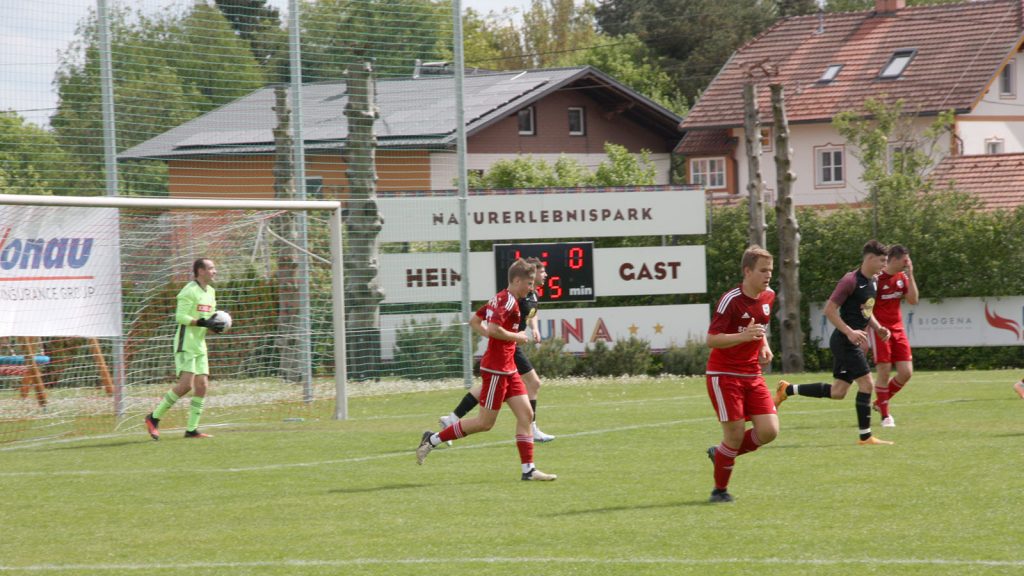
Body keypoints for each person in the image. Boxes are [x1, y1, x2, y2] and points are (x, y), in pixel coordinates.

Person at [416, 259, 556, 481]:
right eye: (528, 283)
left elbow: (475, 321)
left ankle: (528, 470)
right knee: (484, 423)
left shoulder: (505, 298)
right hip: (497, 370)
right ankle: (432, 439)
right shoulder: (506, 301)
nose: (531, 288)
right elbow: (493, 329)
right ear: (516, 280)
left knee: (526, 414)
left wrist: (502, 341)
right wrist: (515, 337)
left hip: (508, 368)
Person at [774, 240, 894, 446]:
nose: (885, 265)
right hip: (844, 342)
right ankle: (866, 437)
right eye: (882, 260)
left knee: (838, 392)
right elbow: (829, 310)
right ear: (870, 258)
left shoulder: (873, 281)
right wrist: (849, 332)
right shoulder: (850, 281)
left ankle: (787, 390)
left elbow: (866, 310)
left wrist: (877, 327)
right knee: (867, 384)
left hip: (851, 342)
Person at [439, 258, 555, 443]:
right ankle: (531, 429)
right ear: (520, 280)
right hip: (510, 348)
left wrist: (534, 328)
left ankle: (452, 419)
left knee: (491, 387)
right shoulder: (511, 298)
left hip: (510, 347)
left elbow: (532, 312)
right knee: (532, 384)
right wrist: (504, 336)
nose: (545, 275)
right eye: (541, 272)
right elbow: (488, 322)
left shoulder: (531, 294)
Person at [704, 245, 779, 503]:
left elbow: (759, 327)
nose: (768, 275)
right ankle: (719, 490)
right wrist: (743, 337)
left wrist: (764, 345)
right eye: (762, 270)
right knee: (734, 435)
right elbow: (712, 339)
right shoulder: (731, 300)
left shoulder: (769, 296)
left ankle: (722, 454)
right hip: (723, 374)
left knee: (769, 431)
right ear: (747, 271)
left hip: (752, 373)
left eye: (770, 270)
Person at [144, 258, 223, 440]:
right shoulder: (189, 290)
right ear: (200, 271)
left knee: (202, 386)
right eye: (211, 268)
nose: (215, 271)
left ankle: (191, 430)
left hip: (199, 344)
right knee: (186, 385)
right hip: (186, 343)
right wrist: (200, 322)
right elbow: (180, 317)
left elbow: (207, 318)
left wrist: (214, 326)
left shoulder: (210, 291)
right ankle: (153, 418)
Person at [871, 244, 918, 427]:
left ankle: (879, 403)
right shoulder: (877, 278)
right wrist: (874, 327)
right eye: (905, 260)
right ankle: (885, 416)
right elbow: (866, 305)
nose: (907, 263)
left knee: (906, 372)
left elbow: (913, 300)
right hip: (880, 331)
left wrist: (911, 274)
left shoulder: (902, 277)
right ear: (896, 259)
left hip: (898, 330)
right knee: (883, 371)